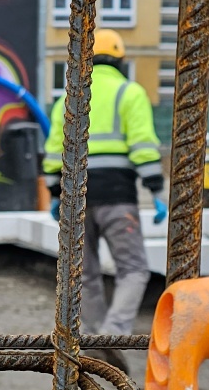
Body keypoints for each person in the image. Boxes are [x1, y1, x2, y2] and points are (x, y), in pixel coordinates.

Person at [42, 30, 167, 370]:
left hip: (76, 201)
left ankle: (94, 337)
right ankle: (112, 335)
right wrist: (157, 191)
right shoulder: (130, 92)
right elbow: (143, 146)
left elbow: (53, 153)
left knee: (84, 272)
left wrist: (55, 194)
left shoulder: (69, 98)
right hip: (117, 197)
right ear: (120, 60)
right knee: (134, 269)